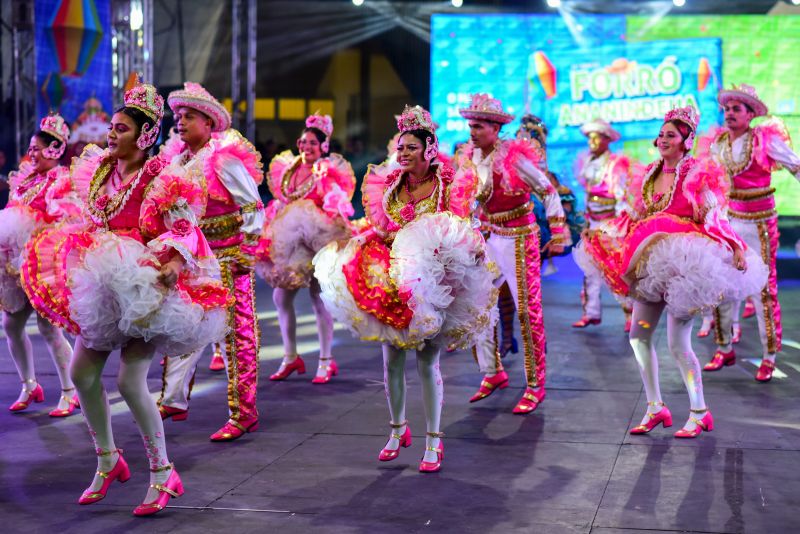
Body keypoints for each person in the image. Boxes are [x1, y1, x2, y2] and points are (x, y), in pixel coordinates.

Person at [21, 83, 231, 515]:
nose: (111, 135)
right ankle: (108, 460)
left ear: (145, 135)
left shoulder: (162, 177)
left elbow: (186, 228)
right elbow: (91, 219)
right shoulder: (100, 170)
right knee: (81, 374)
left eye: (120, 129)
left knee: (129, 381)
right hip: (103, 284)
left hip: (145, 287)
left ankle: (162, 472)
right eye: (112, 128)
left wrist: (173, 264)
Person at [314, 105, 497, 472]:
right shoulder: (391, 184)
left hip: (433, 284)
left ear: (429, 149)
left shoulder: (448, 184)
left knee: (427, 362)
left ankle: (434, 441)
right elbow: (383, 228)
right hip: (392, 281)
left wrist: (469, 251)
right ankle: (398, 430)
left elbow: (461, 229)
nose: (403, 154)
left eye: (411, 147)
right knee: (391, 359)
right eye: (401, 148)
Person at [574, 106, 767, 438]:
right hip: (651, 266)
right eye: (661, 134)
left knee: (678, 344)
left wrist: (735, 246)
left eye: (671, 135)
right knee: (639, 336)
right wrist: (609, 234)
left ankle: (699, 411)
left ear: (685, 141)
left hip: (685, 269)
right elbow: (635, 215)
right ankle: (655, 406)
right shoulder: (649, 174)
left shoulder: (695, 174)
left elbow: (715, 215)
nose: (663, 139)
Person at [156, 82, 266, 440]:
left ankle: (244, 413)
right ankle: (173, 398)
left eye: (189, 117)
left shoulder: (223, 157)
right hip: (193, 257)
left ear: (208, 123)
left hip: (229, 255)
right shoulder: (176, 161)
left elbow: (252, 205)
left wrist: (247, 251)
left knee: (237, 334)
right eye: (178, 117)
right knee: (182, 324)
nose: (181, 122)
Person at [453, 94, 569, 414]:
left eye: (477, 126)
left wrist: (558, 232)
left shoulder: (513, 157)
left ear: (495, 128)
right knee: (479, 305)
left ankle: (535, 385)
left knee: (527, 312)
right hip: (489, 237)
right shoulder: (472, 157)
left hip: (519, 237)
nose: (472, 132)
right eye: (470, 126)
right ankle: (493, 372)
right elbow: (472, 199)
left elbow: (547, 190)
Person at [701, 84, 800, 382]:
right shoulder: (717, 143)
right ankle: (724, 347)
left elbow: (796, 166)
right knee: (722, 286)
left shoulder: (764, 140)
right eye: (727, 109)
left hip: (760, 224)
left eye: (737, 109)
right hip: (730, 221)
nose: (729, 114)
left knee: (763, 291)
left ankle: (769, 356)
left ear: (751, 114)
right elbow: (709, 182)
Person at [256, 113, 355, 384]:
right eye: (303, 141)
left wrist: (332, 208)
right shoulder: (288, 168)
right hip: (290, 246)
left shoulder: (325, 170)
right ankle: (290, 356)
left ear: (323, 146)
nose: (306, 147)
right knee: (280, 298)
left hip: (317, 242)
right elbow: (282, 198)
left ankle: (325, 360)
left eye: (312, 142)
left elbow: (337, 200)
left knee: (319, 299)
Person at [2, 115, 81, 416]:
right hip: (15, 264)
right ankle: (29, 383)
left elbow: (69, 221)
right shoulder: (24, 180)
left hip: (44, 264)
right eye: (31, 148)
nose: (31, 154)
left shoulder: (62, 181)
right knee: (11, 324)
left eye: (37, 148)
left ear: (54, 149)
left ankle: (69, 390)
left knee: (49, 328)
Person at [572, 119, 633, 331]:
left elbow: (621, 199)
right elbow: (589, 194)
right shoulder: (588, 162)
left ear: (607, 140)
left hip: (609, 226)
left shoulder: (615, 165)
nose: (592, 141)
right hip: (592, 222)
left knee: (617, 271)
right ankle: (591, 313)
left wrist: (617, 229)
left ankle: (629, 316)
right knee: (590, 270)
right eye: (589, 137)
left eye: (597, 137)